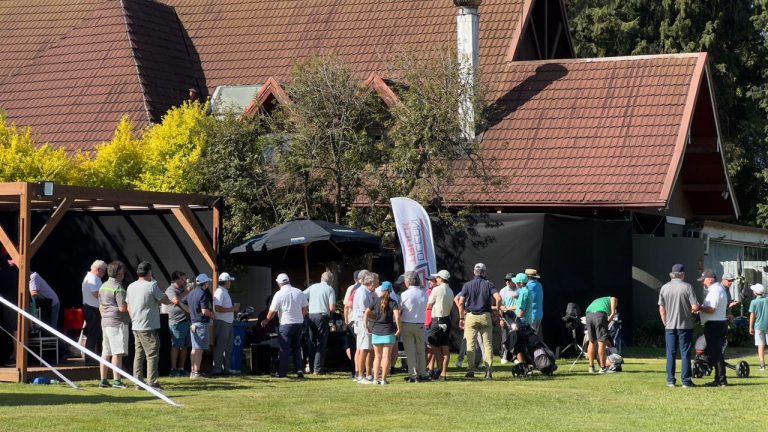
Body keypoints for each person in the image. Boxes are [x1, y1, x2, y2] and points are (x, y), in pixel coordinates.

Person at [125, 261, 170, 389]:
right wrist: (156, 283)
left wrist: (134, 319)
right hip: (148, 326)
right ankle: (152, 382)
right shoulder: (152, 285)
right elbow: (166, 301)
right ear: (149, 272)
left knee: (139, 355)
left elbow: (128, 306)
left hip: (136, 325)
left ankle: (138, 382)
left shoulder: (131, 286)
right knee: (152, 354)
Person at [456, 263, 501, 380]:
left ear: (474, 272)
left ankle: (470, 370)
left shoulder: (467, 285)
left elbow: (460, 302)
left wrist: (461, 318)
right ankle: (488, 371)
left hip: (470, 316)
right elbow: (498, 298)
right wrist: (496, 312)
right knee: (487, 344)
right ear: (484, 273)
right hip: (485, 316)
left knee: (470, 344)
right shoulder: (489, 284)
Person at [658, 263, 700, 388]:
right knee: (685, 353)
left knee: (670, 353)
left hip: (670, 326)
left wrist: (665, 323)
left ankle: (670, 380)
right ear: (682, 274)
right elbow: (695, 306)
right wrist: (693, 310)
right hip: (685, 325)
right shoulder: (687, 287)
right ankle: (686, 381)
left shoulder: (664, 288)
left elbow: (662, 309)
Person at [261, 273, 309, 379]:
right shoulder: (299, 292)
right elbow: (306, 308)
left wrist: (266, 320)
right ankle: (299, 369)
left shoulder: (279, 294)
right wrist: (300, 317)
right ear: (288, 280)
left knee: (284, 349)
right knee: (297, 347)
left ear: (279, 283)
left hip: (286, 324)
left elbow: (272, 310)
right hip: (298, 324)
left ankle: (282, 372)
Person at [98, 261, 129, 389]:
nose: (124, 273)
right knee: (117, 353)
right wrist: (132, 305)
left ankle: (103, 380)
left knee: (106, 352)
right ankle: (117, 381)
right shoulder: (119, 287)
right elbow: (122, 308)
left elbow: (100, 306)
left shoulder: (103, 286)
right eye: (122, 271)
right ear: (119, 273)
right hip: (117, 323)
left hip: (105, 322)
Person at [365, 281, 401, 385]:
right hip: (389, 332)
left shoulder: (375, 300)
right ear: (391, 291)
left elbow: (366, 312)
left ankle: (375, 379)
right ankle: (383, 380)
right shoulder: (393, 302)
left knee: (377, 357)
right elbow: (397, 316)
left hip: (376, 331)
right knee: (386, 357)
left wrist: (366, 325)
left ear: (381, 290)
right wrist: (399, 328)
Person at [698, 269, 729, 387]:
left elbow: (711, 310)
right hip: (716, 323)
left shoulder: (715, 290)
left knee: (716, 353)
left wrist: (699, 308)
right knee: (715, 352)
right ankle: (719, 379)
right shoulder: (716, 289)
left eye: (704, 280)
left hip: (714, 325)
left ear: (710, 280)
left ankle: (721, 380)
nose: (703, 282)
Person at [303, 271, 336, 374]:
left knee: (312, 341)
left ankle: (311, 367)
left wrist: (306, 308)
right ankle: (317, 369)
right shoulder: (330, 289)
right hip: (322, 316)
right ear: (331, 281)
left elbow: (302, 295)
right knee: (321, 342)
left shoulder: (313, 287)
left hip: (311, 315)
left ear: (321, 278)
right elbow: (332, 308)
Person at [399, 271, 428, 382]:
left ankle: (413, 374)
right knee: (421, 350)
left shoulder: (404, 294)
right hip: (420, 324)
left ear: (408, 281)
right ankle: (423, 373)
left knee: (410, 351)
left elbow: (400, 310)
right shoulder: (424, 293)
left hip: (407, 324)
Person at [185, 274, 213, 379]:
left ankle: (193, 372)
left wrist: (192, 312)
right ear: (204, 283)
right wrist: (213, 314)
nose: (208, 284)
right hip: (201, 324)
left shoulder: (191, 293)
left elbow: (182, 302)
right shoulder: (202, 293)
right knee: (199, 349)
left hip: (193, 323)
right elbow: (204, 311)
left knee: (194, 349)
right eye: (207, 282)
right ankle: (196, 372)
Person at [427, 270, 454, 381]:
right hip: (447, 320)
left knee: (431, 345)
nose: (436, 279)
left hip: (438, 320)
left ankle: (427, 371)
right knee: (444, 347)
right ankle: (443, 373)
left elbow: (429, 305)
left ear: (441, 279)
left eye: (437, 277)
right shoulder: (451, 291)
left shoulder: (436, 289)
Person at [353, 272, 378, 384]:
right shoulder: (362, 292)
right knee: (364, 349)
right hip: (363, 322)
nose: (377, 284)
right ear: (371, 282)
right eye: (376, 282)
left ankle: (367, 375)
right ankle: (360, 376)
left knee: (367, 349)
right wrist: (378, 316)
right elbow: (365, 312)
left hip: (365, 322)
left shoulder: (367, 292)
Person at [163, 271, 190, 377]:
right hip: (176, 322)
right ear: (175, 280)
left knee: (185, 346)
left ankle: (181, 368)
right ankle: (173, 369)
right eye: (182, 279)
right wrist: (187, 292)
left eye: (185, 279)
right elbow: (175, 300)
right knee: (176, 346)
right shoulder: (170, 290)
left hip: (186, 321)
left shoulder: (183, 289)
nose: (184, 281)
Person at [213, 272, 239, 376]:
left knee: (228, 348)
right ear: (226, 282)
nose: (230, 283)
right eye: (229, 281)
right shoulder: (219, 292)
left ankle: (226, 369)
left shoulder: (224, 291)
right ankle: (217, 370)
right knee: (221, 347)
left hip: (228, 322)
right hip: (223, 322)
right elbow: (217, 308)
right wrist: (233, 309)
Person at [82, 260, 107, 363]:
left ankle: (92, 357)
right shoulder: (93, 278)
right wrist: (107, 299)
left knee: (94, 333)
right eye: (103, 271)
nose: (104, 274)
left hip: (91, 308)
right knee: (93, 334)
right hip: (92, 309)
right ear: (98, 270)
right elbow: (95, 294)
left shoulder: (91, 277)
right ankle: (90, 359)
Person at [585, 295, 617, 374]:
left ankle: (591, 368)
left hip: (588, 316)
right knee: (601, 342)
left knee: (592, 342)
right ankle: (603, 368)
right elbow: (613, 313)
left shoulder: (598, 300)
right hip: (599, 315)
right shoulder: (613, 298)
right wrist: (607, 322)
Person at [344, 270, 366, 379]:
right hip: (358, 319)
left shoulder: (351, 288)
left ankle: (355, 371)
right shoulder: (362, 289)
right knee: (360, 347)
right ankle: (360, 371)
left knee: (354, 347)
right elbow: (347, 305)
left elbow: (346, 305)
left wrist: (346, 320)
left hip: (351, 320)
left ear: (354, 278)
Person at [748, 283, 768, 372]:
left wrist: (750, 327)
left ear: (755, 293)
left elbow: (752, 315)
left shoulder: (754, 302)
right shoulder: (766, 300)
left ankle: (762, 365)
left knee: (761, 345)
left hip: (758, 326)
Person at [525, 269, 544, 336]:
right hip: (539, 315)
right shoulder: (539, 285)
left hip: (531, 316)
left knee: (530, 337)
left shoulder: (528, 286)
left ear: (528, 277)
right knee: (534, 336)